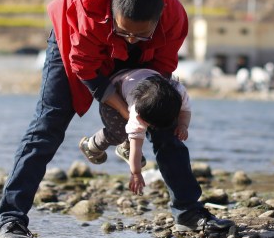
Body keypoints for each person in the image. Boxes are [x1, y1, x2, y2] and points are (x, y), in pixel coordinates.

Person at [0, 0, 232, 238]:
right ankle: (11, 219)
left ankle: (188, 212)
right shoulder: (88, 11)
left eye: (140, 34)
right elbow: (88, 73)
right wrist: (131, 115)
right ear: (112, 12)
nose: (130, 39)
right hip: (73, 39)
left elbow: (159, 77)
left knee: (164, 119)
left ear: (158, 20)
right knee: (48, 125)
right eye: (125, 31)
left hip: (143, 56)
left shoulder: (174, 20)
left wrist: (147, 113)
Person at [78, 68, 192, 196]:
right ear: (141, 118)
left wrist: (183, 125)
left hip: (140, 82)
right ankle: (91, 145)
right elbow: (136, 147)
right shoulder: (136, 113)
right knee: (118, 134)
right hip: (114, 94)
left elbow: (185, 111)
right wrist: (136, 173)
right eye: (149, 124)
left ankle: (123, 147)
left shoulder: (178, 91)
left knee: (164, 130)